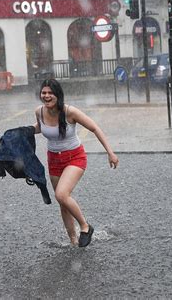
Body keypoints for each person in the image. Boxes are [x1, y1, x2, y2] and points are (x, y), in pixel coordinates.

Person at [33, 79, 119, 247]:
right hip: (54, 160)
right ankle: (73, 240)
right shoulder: (39, 112)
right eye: (44, 93)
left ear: (58, 95)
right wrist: (23, 132)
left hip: (75, 157)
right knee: (62, 202)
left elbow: (94, 128)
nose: (47, 96)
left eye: (50, 93)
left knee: (61, 194)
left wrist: (110, 152)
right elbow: (41, 127)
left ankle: (85, 227)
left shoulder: (69, 112)